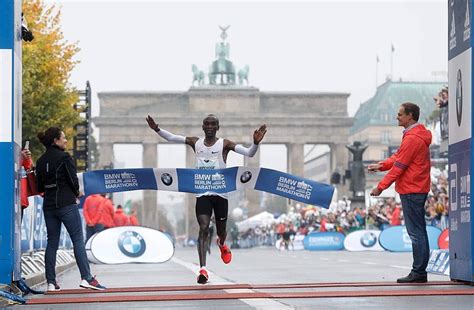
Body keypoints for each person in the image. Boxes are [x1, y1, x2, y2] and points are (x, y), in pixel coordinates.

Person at [146, 114, 267, 284]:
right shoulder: (196, 142)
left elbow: (249, 154)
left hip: (221, 194)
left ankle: (222, 243)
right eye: (207, 124)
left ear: (218, 127)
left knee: (221, 232)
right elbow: (173, 138)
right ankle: (202, 269)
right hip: (202, 192)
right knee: (203, 227)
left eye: (213, 124)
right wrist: (157, 129)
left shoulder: (224, 144)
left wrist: (255, 143)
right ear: (202, 127)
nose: (209, 127)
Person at [36, 127, 106, 291]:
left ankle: (51, 283)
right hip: (66, 203)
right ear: (55, 140)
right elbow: (73, 180)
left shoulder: (40, 161)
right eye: (63, 137)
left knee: (51, 242)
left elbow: (39, 186)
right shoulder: (65, 157)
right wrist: (77, 192)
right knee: (77, 240)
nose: (66, 140)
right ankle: (86, 278)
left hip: (49, 205)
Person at [368, 102, 431, 283]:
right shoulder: (414, 135)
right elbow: (398, 158)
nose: (397, 117)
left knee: (416, 232)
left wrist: (380, 187)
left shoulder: (412, 138)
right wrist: (381, 165)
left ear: (410, 116)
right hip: (416, 187)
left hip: (412, 188)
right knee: (418, 231)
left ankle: (418, 272)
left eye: (400, 114)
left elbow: (400, 166)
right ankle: (419, 270)